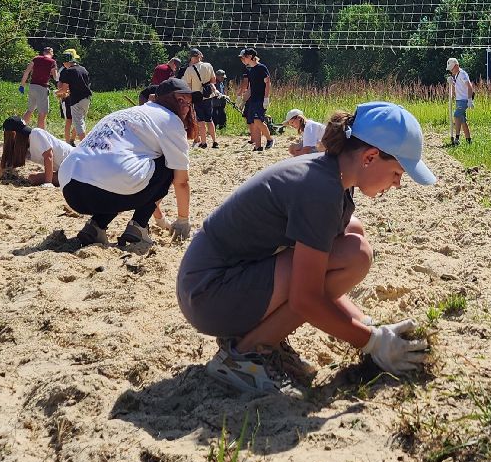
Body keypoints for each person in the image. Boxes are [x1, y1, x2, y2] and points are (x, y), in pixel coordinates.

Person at [177, 101, 435, 395]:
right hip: (208, 295)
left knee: (354, 234)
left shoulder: (331, 175)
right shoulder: (320, 191)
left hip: (214, 283)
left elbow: (316, 280)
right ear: (370, 157)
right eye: (398, 173)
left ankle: (261, 338)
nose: (398, 184)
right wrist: (371, 341)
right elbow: (306, 298)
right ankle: (243, 356)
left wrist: (368, 324)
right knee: (355, 256)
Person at [58, 77, 194, 253]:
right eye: (181, 100)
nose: (185, 107)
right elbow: (181, 181)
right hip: (111, 186)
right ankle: (138, 226)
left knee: (122, 174)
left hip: (71, 187)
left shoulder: (125, 113)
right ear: (162, 100)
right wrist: (183, 220)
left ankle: (96, 225)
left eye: (189, 103)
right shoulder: (170, 120)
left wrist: (160, 219)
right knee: (168, 165)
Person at [0, 117, 75, 185]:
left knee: (34, 178)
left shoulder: (36, 134)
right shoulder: (23, 146)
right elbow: (8, 166)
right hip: (65, 169)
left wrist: (48, 182)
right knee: (32, 178)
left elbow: (48, 156)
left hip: (75, 164)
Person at [182, 48, 219, 149]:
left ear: (191, 57)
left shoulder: (189, 70)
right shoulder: (208, 65)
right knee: (209, 120)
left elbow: (187, 85)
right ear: (200, 56)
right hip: (208, 95)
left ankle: (204, 142)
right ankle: (215, 142)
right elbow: (213, 80)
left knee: (200, 121)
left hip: (197, 96)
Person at [238, 47, 273, 151]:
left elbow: (268, 83)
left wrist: (266, 98)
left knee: (258, 120)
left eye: (245, 57)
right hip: (253, 100)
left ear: (251, 57)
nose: (244, 59)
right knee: (254, 121)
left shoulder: (261, 68)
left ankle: (270, 139)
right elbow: (250, 89)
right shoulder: (251, 70)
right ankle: (258, 146)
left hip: (260, 99)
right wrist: (243, 100)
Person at [57, 48, 93, 144]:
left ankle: (85, 145)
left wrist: (57, 93)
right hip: (87, 99)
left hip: (76, 100)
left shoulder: (69, 71)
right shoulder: (83, 69)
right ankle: (74, 140)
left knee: (78, 123)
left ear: (66, 62)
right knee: (81, 121)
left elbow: (64, 90)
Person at [20, 47, 59, 129]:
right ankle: (41, 135)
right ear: (51, 53)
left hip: (32, 86)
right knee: (42, 113)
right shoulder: (52, 62)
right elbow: (56, 78)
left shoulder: (36, 59)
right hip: (42, 88)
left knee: (30, 110)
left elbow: (27, 72)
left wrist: (22, 85)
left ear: (43, 52)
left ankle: (19, 129)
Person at [446, 57, 475, 145]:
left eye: (452, 68)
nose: (451, 71)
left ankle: (457, 139)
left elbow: (469, 86)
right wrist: (452, 83)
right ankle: (468, 140)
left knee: (456, 115)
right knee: (462, 120)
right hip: (459, 100)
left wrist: (470, 100)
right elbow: (458, 87)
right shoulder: (457, 75)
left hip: (464, 100)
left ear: (457, 66)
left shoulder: (462, 74)